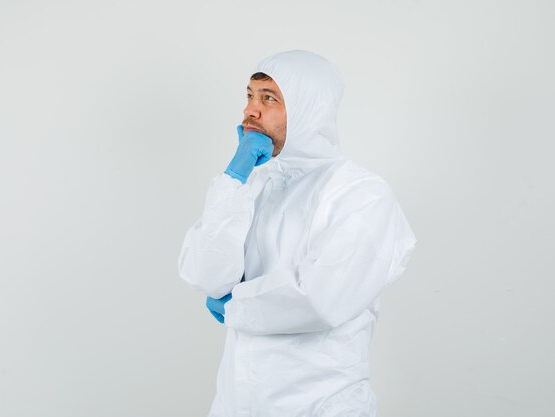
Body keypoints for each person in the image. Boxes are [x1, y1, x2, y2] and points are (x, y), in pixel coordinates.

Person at [178, 50, 417, 417]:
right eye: (249, 96)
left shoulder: (360, 193)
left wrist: (236, 303)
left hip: (321, 406)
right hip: (236, 405)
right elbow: (205, 274)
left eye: (269, 98)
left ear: (310, 108)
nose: (250, 111)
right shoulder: (255, 185)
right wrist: (234, 177)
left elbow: (320, 298)